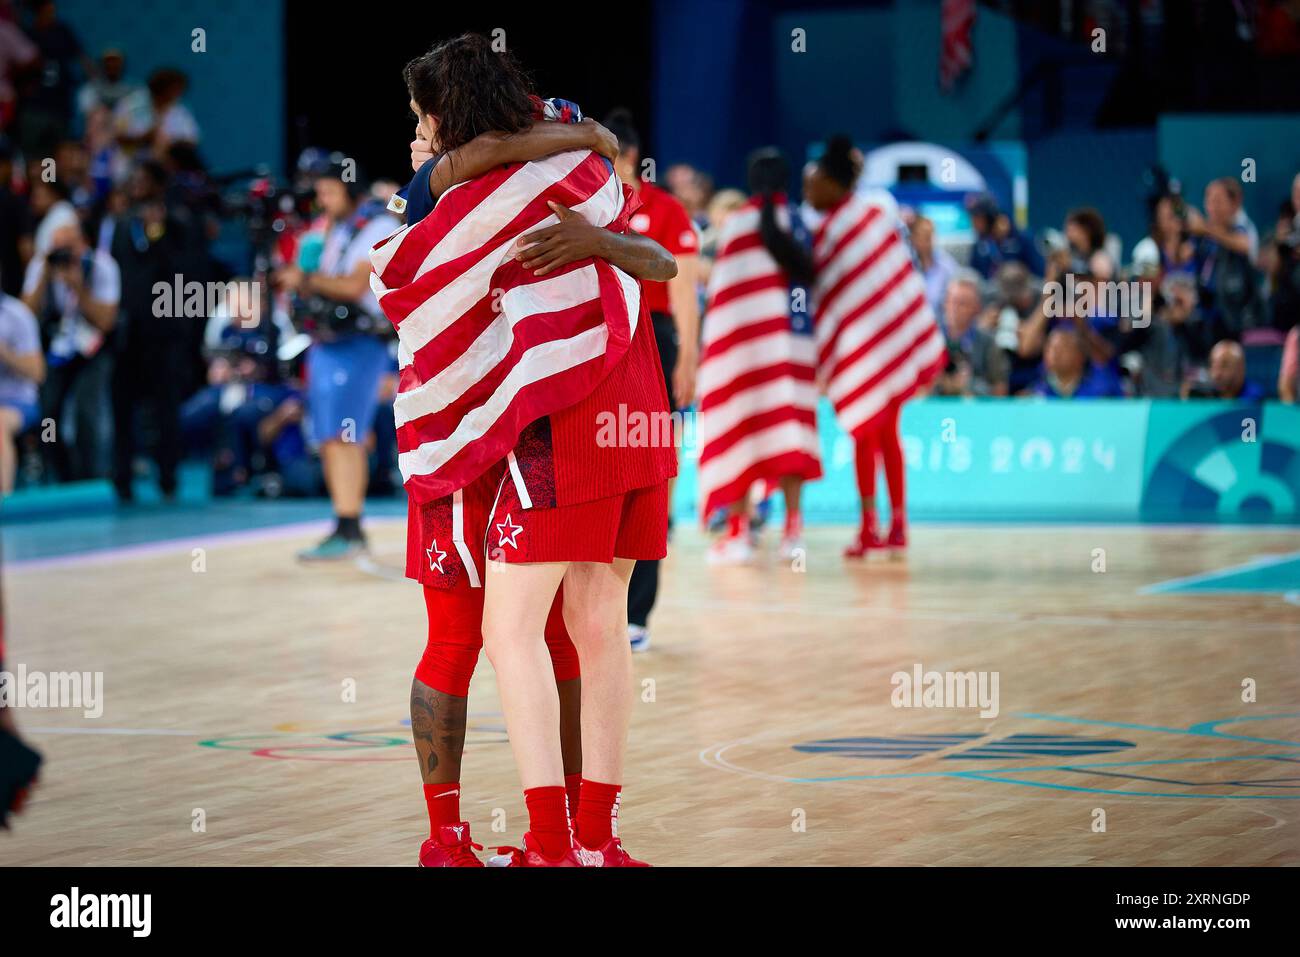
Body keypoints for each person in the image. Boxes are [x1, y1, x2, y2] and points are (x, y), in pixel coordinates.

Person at [389, 35, 679, 867]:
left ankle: (563, 841)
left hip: (534, 421)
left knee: (527, 631)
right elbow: (506, 150)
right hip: (558, 418)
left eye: (421, 117)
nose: (415, 133)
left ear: (448, 113)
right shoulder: (553, 160)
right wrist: (587, 137)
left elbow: (649, 258)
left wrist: (584, 174)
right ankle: (479, 836)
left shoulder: (527, 164)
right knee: (540, 628)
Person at [804, 136, 945, 558]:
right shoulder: (840, 226)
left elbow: (894, 280)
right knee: (871, 436)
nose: (808, 191)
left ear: (831, 180)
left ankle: (888, 526)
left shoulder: (866, 217)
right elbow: (832, 295)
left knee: (878, 436)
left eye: (813, 182)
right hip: (865, 348)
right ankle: (877, 526)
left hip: (883, 345)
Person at [601, 108, 700, 653]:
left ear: (629, 155)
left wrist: (688, 356)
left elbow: (682, 288)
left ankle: (636, 614)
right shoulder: (585, 208)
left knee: (650, 470)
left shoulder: (664, 209)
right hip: (598, 340)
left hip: (654, 339)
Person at [696, 147, 822, 565]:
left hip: (742, 357)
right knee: (789, 436)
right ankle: (793, 533)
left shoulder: (736, 226)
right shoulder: (801, 224)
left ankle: (737, 533)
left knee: (740, 431)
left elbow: (722, 302)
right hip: (792, 357)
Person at [276, 159, 398, 559]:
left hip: (359, 344)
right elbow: (302, 276)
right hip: (325, 344)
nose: (323, 200)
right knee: (328, 436)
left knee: (349, 435)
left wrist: (305, 280)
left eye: (330, 192)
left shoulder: (378, 225)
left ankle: (351, 525)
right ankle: (343, 524)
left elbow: (351, 286)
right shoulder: (330, 229)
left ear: (350, 189)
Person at [110, 159, 204, 501]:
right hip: (127, 331)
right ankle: (121, 479)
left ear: (158, 185)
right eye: (131, 178)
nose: (135, 184)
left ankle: (168, 476)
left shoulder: (179, 223)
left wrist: (158, 234)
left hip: (165, 331)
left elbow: (187, 273)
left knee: (165, 407)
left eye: (142, 178)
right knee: (122, 406)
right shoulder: (122, 224)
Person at [22, 221, 117, 482]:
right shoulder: (42, 266)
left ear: (82, 244)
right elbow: (25, 315)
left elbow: (106, 321)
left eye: (68, 247)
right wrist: (44, 276)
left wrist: (77, 286)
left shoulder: (101, 266)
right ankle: (64, 475)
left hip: (93, 348)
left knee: (86, 410)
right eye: (57, 248)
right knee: (47, 413)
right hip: (57, 347)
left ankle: (91, 476)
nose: (63, 254)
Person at [0, 277, 43, 493]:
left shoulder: (18, 315)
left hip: (18, 400)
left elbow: (37, 372)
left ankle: (4, 501)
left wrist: (4, 352)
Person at [1030, 327, 1123, 399]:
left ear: (1080, 355)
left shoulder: (1102, 390)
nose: (1055, 355)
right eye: (1050, 349)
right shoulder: (1037, 391)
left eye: (1062, 349)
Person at [1185, 339, 1264, 400]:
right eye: (1213, 366)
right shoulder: (1205, 395)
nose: (1217, 374)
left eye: (1224, 366)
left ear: (1240, 368)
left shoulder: (1255, 396)